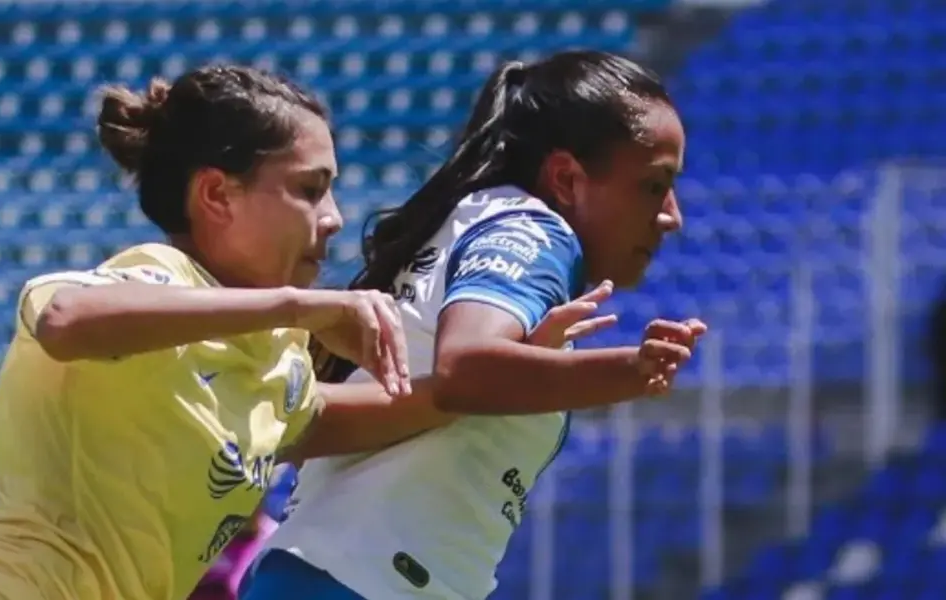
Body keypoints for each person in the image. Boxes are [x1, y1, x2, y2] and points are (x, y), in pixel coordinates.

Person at [0, 64, 422, 600]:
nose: (335, 218)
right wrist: (299, 307)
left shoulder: (277, 363)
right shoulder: (157, 273)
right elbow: (65, 321)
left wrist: (488, 371)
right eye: (309, 189)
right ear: (216, 194)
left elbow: (419, 401)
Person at [241, 50, 706, 600]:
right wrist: (629, 370)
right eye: (654, 185)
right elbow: (467, 368)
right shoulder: (534, 231)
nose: (672, 215)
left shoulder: (478, 220)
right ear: (566, 177)